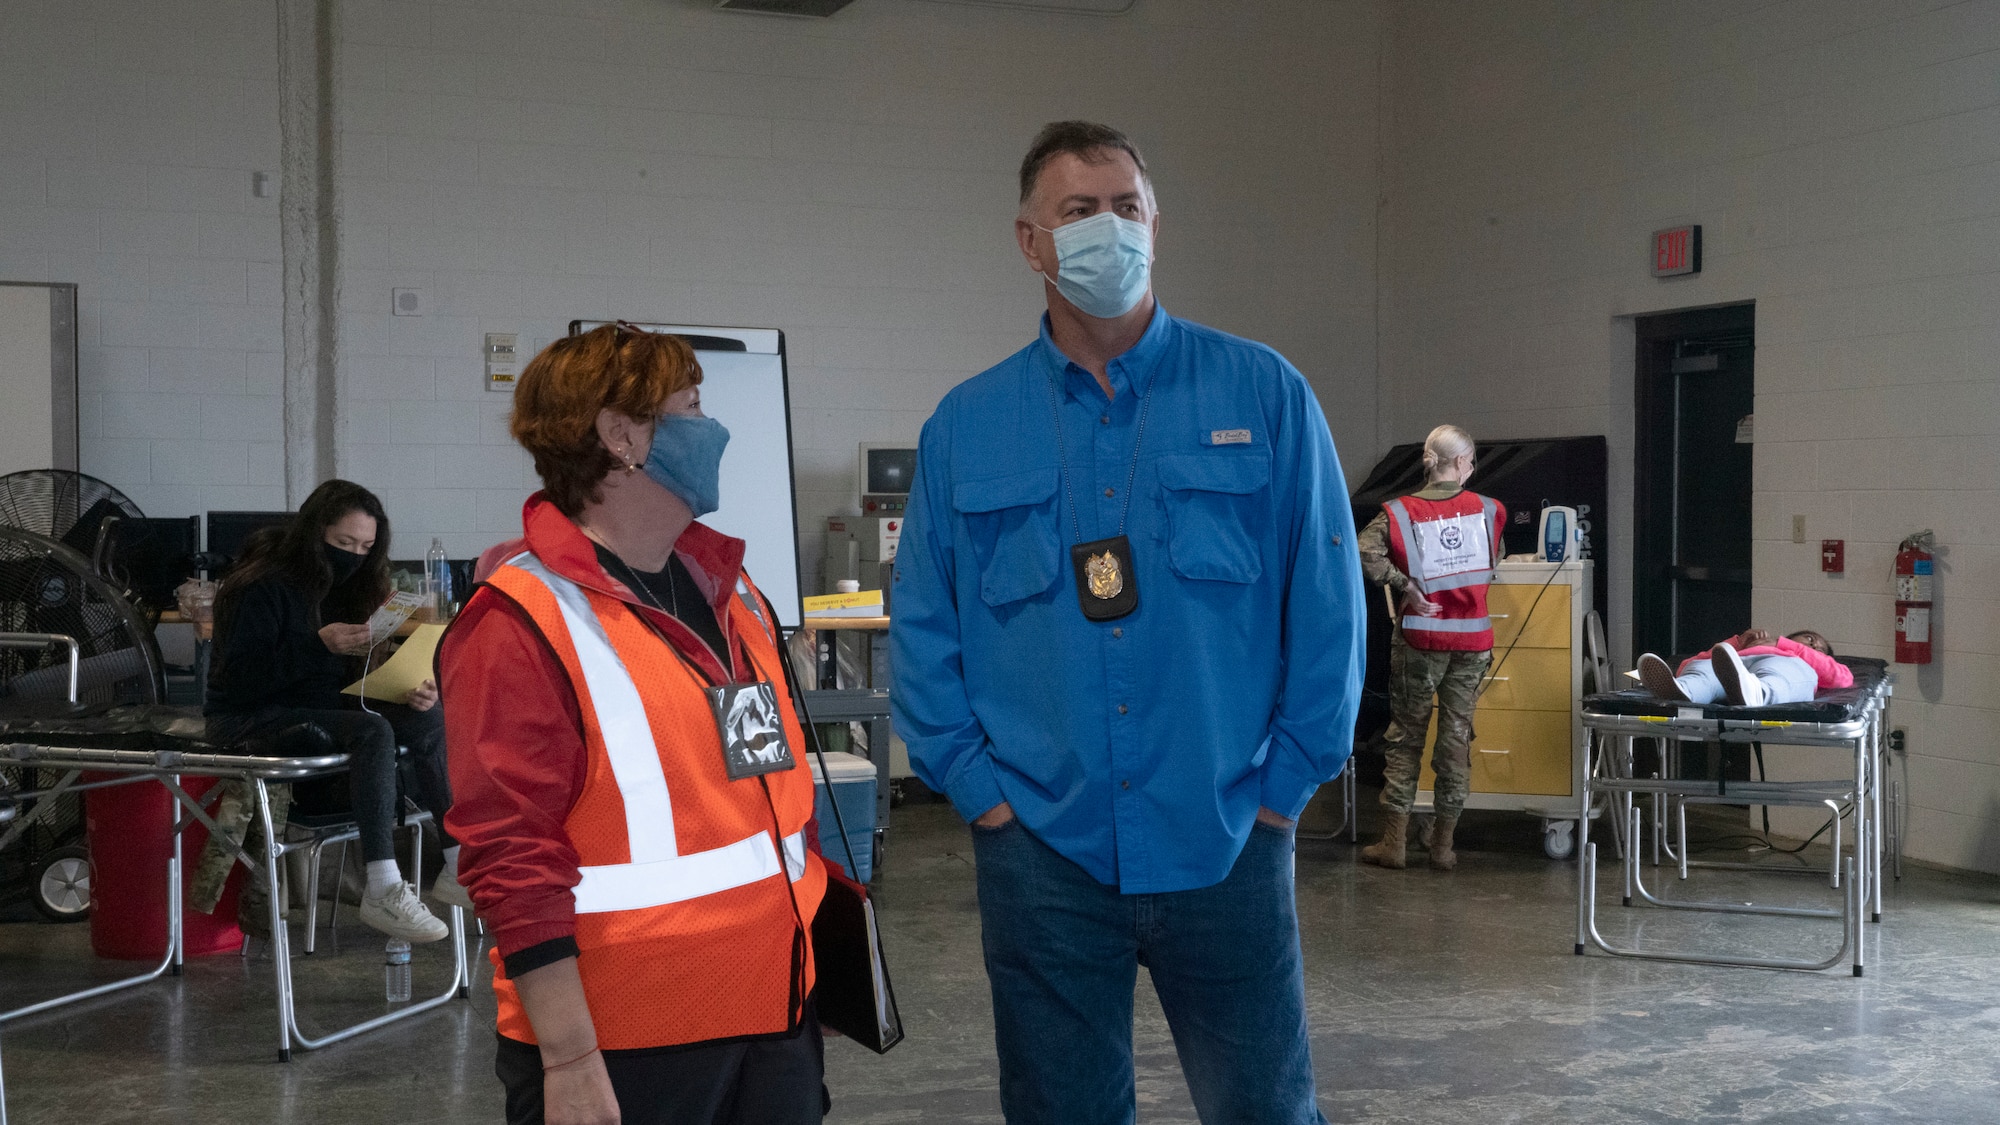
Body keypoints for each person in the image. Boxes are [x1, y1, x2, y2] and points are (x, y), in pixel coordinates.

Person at [891, 121, 1365, 1125]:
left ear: (1155, 227)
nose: (1110, 229)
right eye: (1078, 211)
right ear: (1030, 242)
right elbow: (924, 628)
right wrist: (980, 797)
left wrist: (1284, 789)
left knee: (1266, 1109)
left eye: (1127, 209)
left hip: (1229, 831)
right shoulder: (966, 426)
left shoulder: (1264, 395)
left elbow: (1328, 609)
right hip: (1041, 850)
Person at [440, 323, 831, 1125]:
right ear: (622, 437)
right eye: (691, 408)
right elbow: (512, 856)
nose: (712, 429)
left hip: (777, 1013)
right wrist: (571, 1058)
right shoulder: (521, 619)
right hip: (628, 1047)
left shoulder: (732, 590)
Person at [205, 478, 461, 943]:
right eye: (344, 543)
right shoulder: (260, 585)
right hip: (248, 715)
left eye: (365, 546)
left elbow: (340, 687)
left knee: (427, 716)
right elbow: (240, 679)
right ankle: (382, 885)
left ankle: (458, 863)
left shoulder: (350, 587)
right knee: (373, 732)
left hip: (317, 708)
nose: (354, 556)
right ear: (313, 532)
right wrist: (315, 645)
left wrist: (399, 690)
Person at [1355, 424, 1505, 872]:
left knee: (1405, 738)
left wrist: (1405, 585)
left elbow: (1364, 552)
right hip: (1473, 641)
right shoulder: (1489, 509)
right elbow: (1493, 561)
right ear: (1460, 463)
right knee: (1456, 739)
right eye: (1472, 461)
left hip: (1421, 638)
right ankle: (1442, 846)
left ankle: (1394, 843)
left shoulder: (1398, 513)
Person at [1638, 629, 1852, 706]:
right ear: (1791, 634)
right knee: (1702, 673)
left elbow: (1842, 678)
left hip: (1782, 664)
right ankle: (1684, 691)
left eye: (1820, 648)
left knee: (1779, 678)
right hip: (1737, 663)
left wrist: (1783, 645)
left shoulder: (1802, 658)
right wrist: (1737, 644)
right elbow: (1687, 664)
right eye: (1810, 638)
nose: (1814, 645)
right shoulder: (1743, 647)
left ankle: (1756, 692)